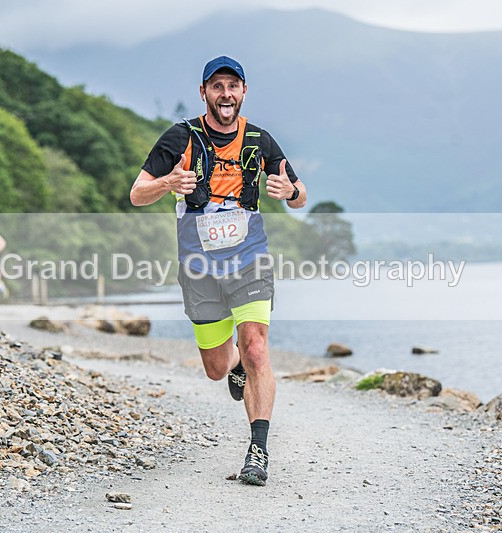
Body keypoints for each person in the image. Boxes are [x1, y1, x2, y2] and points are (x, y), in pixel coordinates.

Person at [130, 56, 307, 486]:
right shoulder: (180, 137)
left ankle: (258, 450)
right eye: (217, 86)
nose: (225, 94)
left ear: (244, 92)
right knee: (216, 367)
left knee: (257, 346)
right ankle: (235, 368)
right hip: (199, 266)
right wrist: (168, 184)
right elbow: (137, 194)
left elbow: (299, 195)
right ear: (204, 92)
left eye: (233, 86)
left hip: (250, 259)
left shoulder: (260, 140)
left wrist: (292, 192)